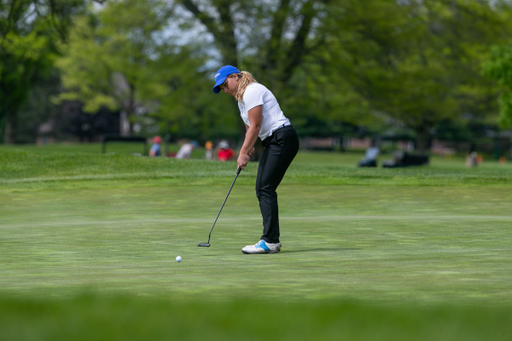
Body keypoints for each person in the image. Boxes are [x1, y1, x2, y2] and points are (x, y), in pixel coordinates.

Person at [213, 65, 300, 254]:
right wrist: (249, 146)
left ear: (235, 77)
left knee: (265, 187)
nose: (225, 89)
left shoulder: (252, 91)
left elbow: (256, 125)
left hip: (282, 138)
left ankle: (270, 241)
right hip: (273, 141)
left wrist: (243, 152)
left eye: (225, 84)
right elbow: (250, 129)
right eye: (221, 88)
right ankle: (271, 240)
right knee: (263, 187)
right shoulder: (241, 100)